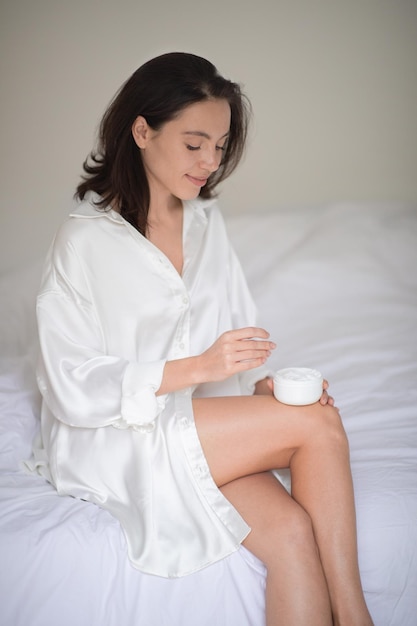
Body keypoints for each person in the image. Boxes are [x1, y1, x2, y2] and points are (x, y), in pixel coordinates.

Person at [29, 52, 373, 625]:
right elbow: (70, 385)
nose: (211, 161)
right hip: (113, 436)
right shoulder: (83, 240)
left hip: (196, 422)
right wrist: (199, 368)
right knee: (317, 425)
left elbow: (231, 341)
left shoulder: (207, 223)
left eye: (220, 144)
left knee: (292, 533)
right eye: (194, 144)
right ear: (142, 131)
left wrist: (259, 393)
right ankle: (357, 616)